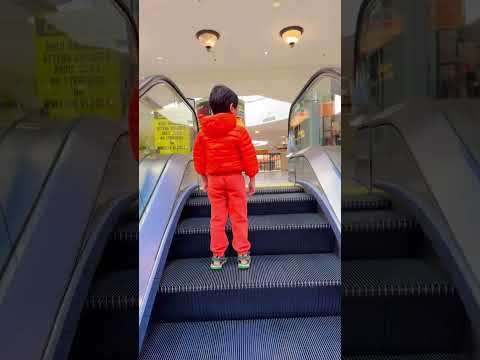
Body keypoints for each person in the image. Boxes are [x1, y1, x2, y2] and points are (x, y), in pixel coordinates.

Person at [193, 85, 259, 270]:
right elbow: (249, 155)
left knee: (217, 218)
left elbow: (199, 157)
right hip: (235, 179)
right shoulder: (239, 130)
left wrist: (204, 179)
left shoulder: (203, 133)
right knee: (239, 217)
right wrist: (252, 178)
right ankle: (243, 255)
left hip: (214, 180)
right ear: (232, 107)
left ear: (212, 108)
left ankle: (217, 256)